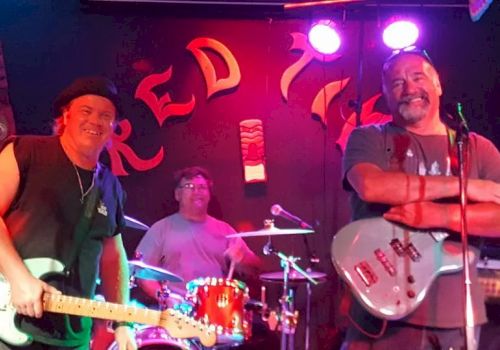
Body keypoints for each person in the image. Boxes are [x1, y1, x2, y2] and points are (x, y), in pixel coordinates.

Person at [339, 48, 500, 350]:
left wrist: (438, 216)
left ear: (438, 85)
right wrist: (467, 189)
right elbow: (372, 187)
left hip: (457, 318)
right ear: (385, 93)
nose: (410, 88)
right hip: (379, 317)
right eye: (397, 83)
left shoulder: (477, 148)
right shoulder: (369, 137)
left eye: (417, 77)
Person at [0, 76, 136, 349]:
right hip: (9, 321)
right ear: (66, 114)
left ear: (113, 127)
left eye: (105, 116)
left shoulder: (111, 186)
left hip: (72, 335)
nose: (95, 121)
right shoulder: (24, 151)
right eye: (86, 111)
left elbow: (113, 257)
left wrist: (124, 322)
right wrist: (18, 277)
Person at [135, 166, 261, 306]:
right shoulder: (161, 229)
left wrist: (242, 258)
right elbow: (143, 274)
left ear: (209, 195)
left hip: (215, 310)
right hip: (176, 311)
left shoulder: (225, 230)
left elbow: (254, 268)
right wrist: (165, 299)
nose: (197, 191)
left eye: (202, 187)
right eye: (189, 186)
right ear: (177, 194)